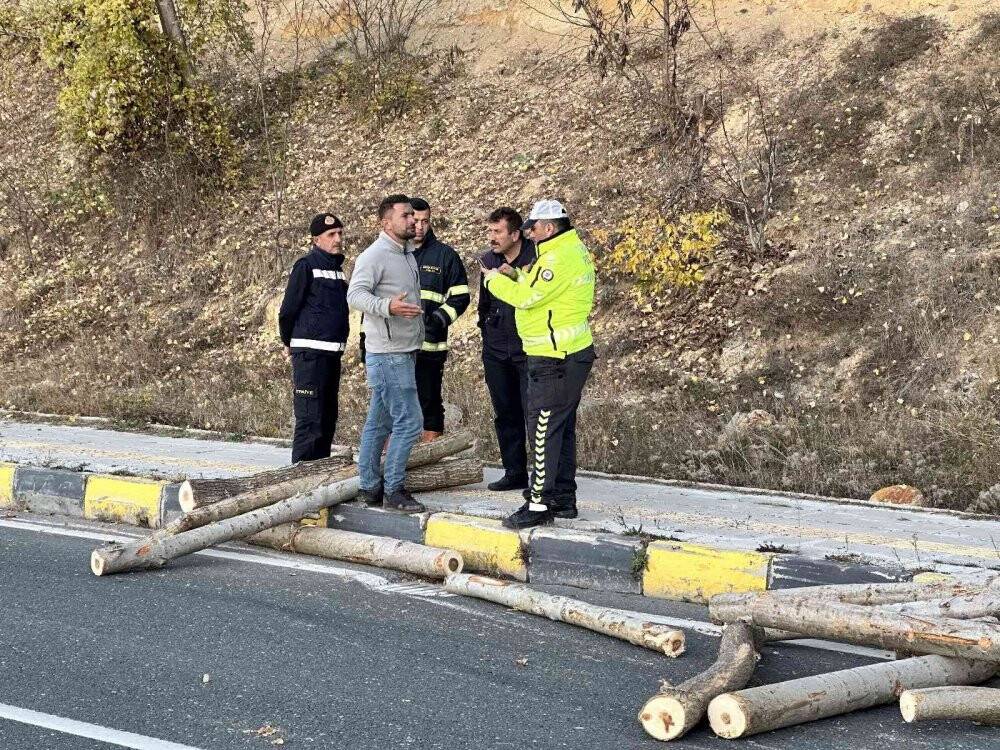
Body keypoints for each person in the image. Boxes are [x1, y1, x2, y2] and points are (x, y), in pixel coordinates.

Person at [481, 200, 596, 529]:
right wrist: (516, 275)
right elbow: (543, 292)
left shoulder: (557, 258)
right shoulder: (566, 251)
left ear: (549, 228)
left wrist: (493, 280)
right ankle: (563, 498)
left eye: (533, 225)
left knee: (543, 428)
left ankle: (538, 503)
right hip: (567, 352)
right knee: (561, 427)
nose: (528, 230)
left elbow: (528, 298)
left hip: (555, 356)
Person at [346, 195, 426, 513]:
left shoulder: (406, 253)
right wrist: (387, 306)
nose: (413, 221)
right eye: (406, 216)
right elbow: (355, 294)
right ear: (386, 222)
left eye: (415, 216)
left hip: (404, 350)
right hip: (389, 354)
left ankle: (368, 488)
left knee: (378, 424)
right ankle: (393, 491)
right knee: (409, 422)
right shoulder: (375, 255)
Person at [278, 213, 350, 463]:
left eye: (340, 233)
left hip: (331, 354)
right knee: (310, 420)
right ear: (316, 239)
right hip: (310, 356)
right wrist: (288, 342)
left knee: (327, 419)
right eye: (331, 235)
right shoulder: (306, 266)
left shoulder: (338, 271)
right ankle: (299, 480)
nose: (338, 238)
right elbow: (288, 310)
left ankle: (320, 477)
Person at [478, 207, 536, 491]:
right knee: (505, 412)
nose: (492, 237)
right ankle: (514, 472)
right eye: (489, 231)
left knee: (533, 414)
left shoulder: (535, 258)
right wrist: (487, 334)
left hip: (528, 349)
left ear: (515, 234)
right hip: (496, 350)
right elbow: (484, 304)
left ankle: (540, 478)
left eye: (497, 232)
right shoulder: (488, 260)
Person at [411, 197, 470, 442]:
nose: (420, 226)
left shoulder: (444, 256)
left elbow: (461, 297)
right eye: (415, 220)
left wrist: (436, 320)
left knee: (430, 405)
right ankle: (391, 466)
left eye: (425, 221)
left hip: (430, 349)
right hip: (395, 348)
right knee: (391, 407)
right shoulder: (391, 253)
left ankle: (430, 462)